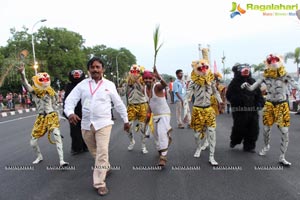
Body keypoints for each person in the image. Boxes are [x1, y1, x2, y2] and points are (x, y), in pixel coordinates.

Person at [64, 57, 130, 196]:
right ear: (89, 70)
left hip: (104, 123)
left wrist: (126, 120)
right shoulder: (82, 85)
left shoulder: (109, 85)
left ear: (102, 69)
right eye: (92, 67)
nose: (95, 69)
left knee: (102, 151)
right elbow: (70, 100)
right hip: (86, 124)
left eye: (98, 67)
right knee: (94, 151)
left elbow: (118, 103)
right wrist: (70, 113)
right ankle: (106, 167)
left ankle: (99, 183)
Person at [17, 64, 69, 167]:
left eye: (46, 79)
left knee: (57, 135)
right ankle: (39, 156)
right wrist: (22, 74)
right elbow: (25, 84)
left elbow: (54, 106)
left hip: (51, 116)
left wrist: (59, 116)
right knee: (33, 142)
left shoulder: (51, 92)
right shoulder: (34, 91)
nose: (44, 81)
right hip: (41, 118)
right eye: (42, 79)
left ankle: (62, 160)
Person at [186, 57, 223, 166]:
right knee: (197, 135)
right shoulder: (193, 82)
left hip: (209, 109)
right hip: (197, 110)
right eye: (201, 68)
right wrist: (186, 111)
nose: (203, 69)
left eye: (206, 67)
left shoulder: (210, 81)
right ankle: (198, 148)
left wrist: (220, 101)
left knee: (212, 132)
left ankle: (211, 156)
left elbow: (215, 92)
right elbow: (187, 96)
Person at [226, 63, 265, 153]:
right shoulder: (234, 83)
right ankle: (235, 140)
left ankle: (249, 146)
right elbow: (229, 95)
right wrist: (236, 100)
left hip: (252, 110)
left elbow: (259, 95)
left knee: (253, 128)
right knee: (239, 127)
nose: (246, 71)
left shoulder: (252, 81)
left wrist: (260, 103)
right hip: (239, 110)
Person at [143, 67, 172, 167]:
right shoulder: (145, 89)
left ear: (153, 79)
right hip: (155, 116)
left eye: (149, 78)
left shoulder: (156, 87)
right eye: (145, 78)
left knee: (162, 133)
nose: (147, 80)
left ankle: (163, 157)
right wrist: (147, 117)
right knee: (155, 135)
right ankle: (161, 150)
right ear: (143, 79)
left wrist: (158, 76)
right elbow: (150, 104)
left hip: (164, 114)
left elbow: (164, 85)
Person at [125, 64, 149, 154]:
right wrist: (128, 84)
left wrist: (138, 82)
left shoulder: (143, 80)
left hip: (142, 105)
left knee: (143, 127)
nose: (134, 74)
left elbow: (144, 91)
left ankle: (143, 145)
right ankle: (132, 141)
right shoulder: (127, 81)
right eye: (133, 72)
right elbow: (123, 93)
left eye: (136, 72)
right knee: (128, 127)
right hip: (131, 106)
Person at [63, 69, 88, 155]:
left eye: (79, 73)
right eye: (74, 73)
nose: (76, 74)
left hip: (85, 111)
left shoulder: (86, 85)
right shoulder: (69, 86)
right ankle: (77, 148)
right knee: (74, 131)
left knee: (86, 130)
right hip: (73, 113)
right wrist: (68, 113)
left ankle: (86, 146)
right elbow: (66, 100)